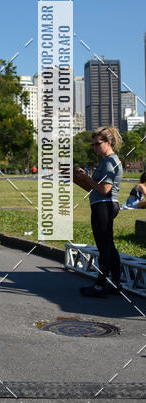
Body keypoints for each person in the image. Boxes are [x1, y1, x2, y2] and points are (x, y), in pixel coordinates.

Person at [73, 127, 123, 297]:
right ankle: (115, 284)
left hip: (104, 206)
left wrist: (86, 178)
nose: (94, 147)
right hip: (104, 205)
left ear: (108, 142)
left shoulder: (109, 162)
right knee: (109, 246)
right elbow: (96, 187)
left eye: (97, 144)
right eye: (93, 144)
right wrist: (82, 178)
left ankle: (100, 286)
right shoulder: (107, 161)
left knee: (104, 247)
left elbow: (105, 189)